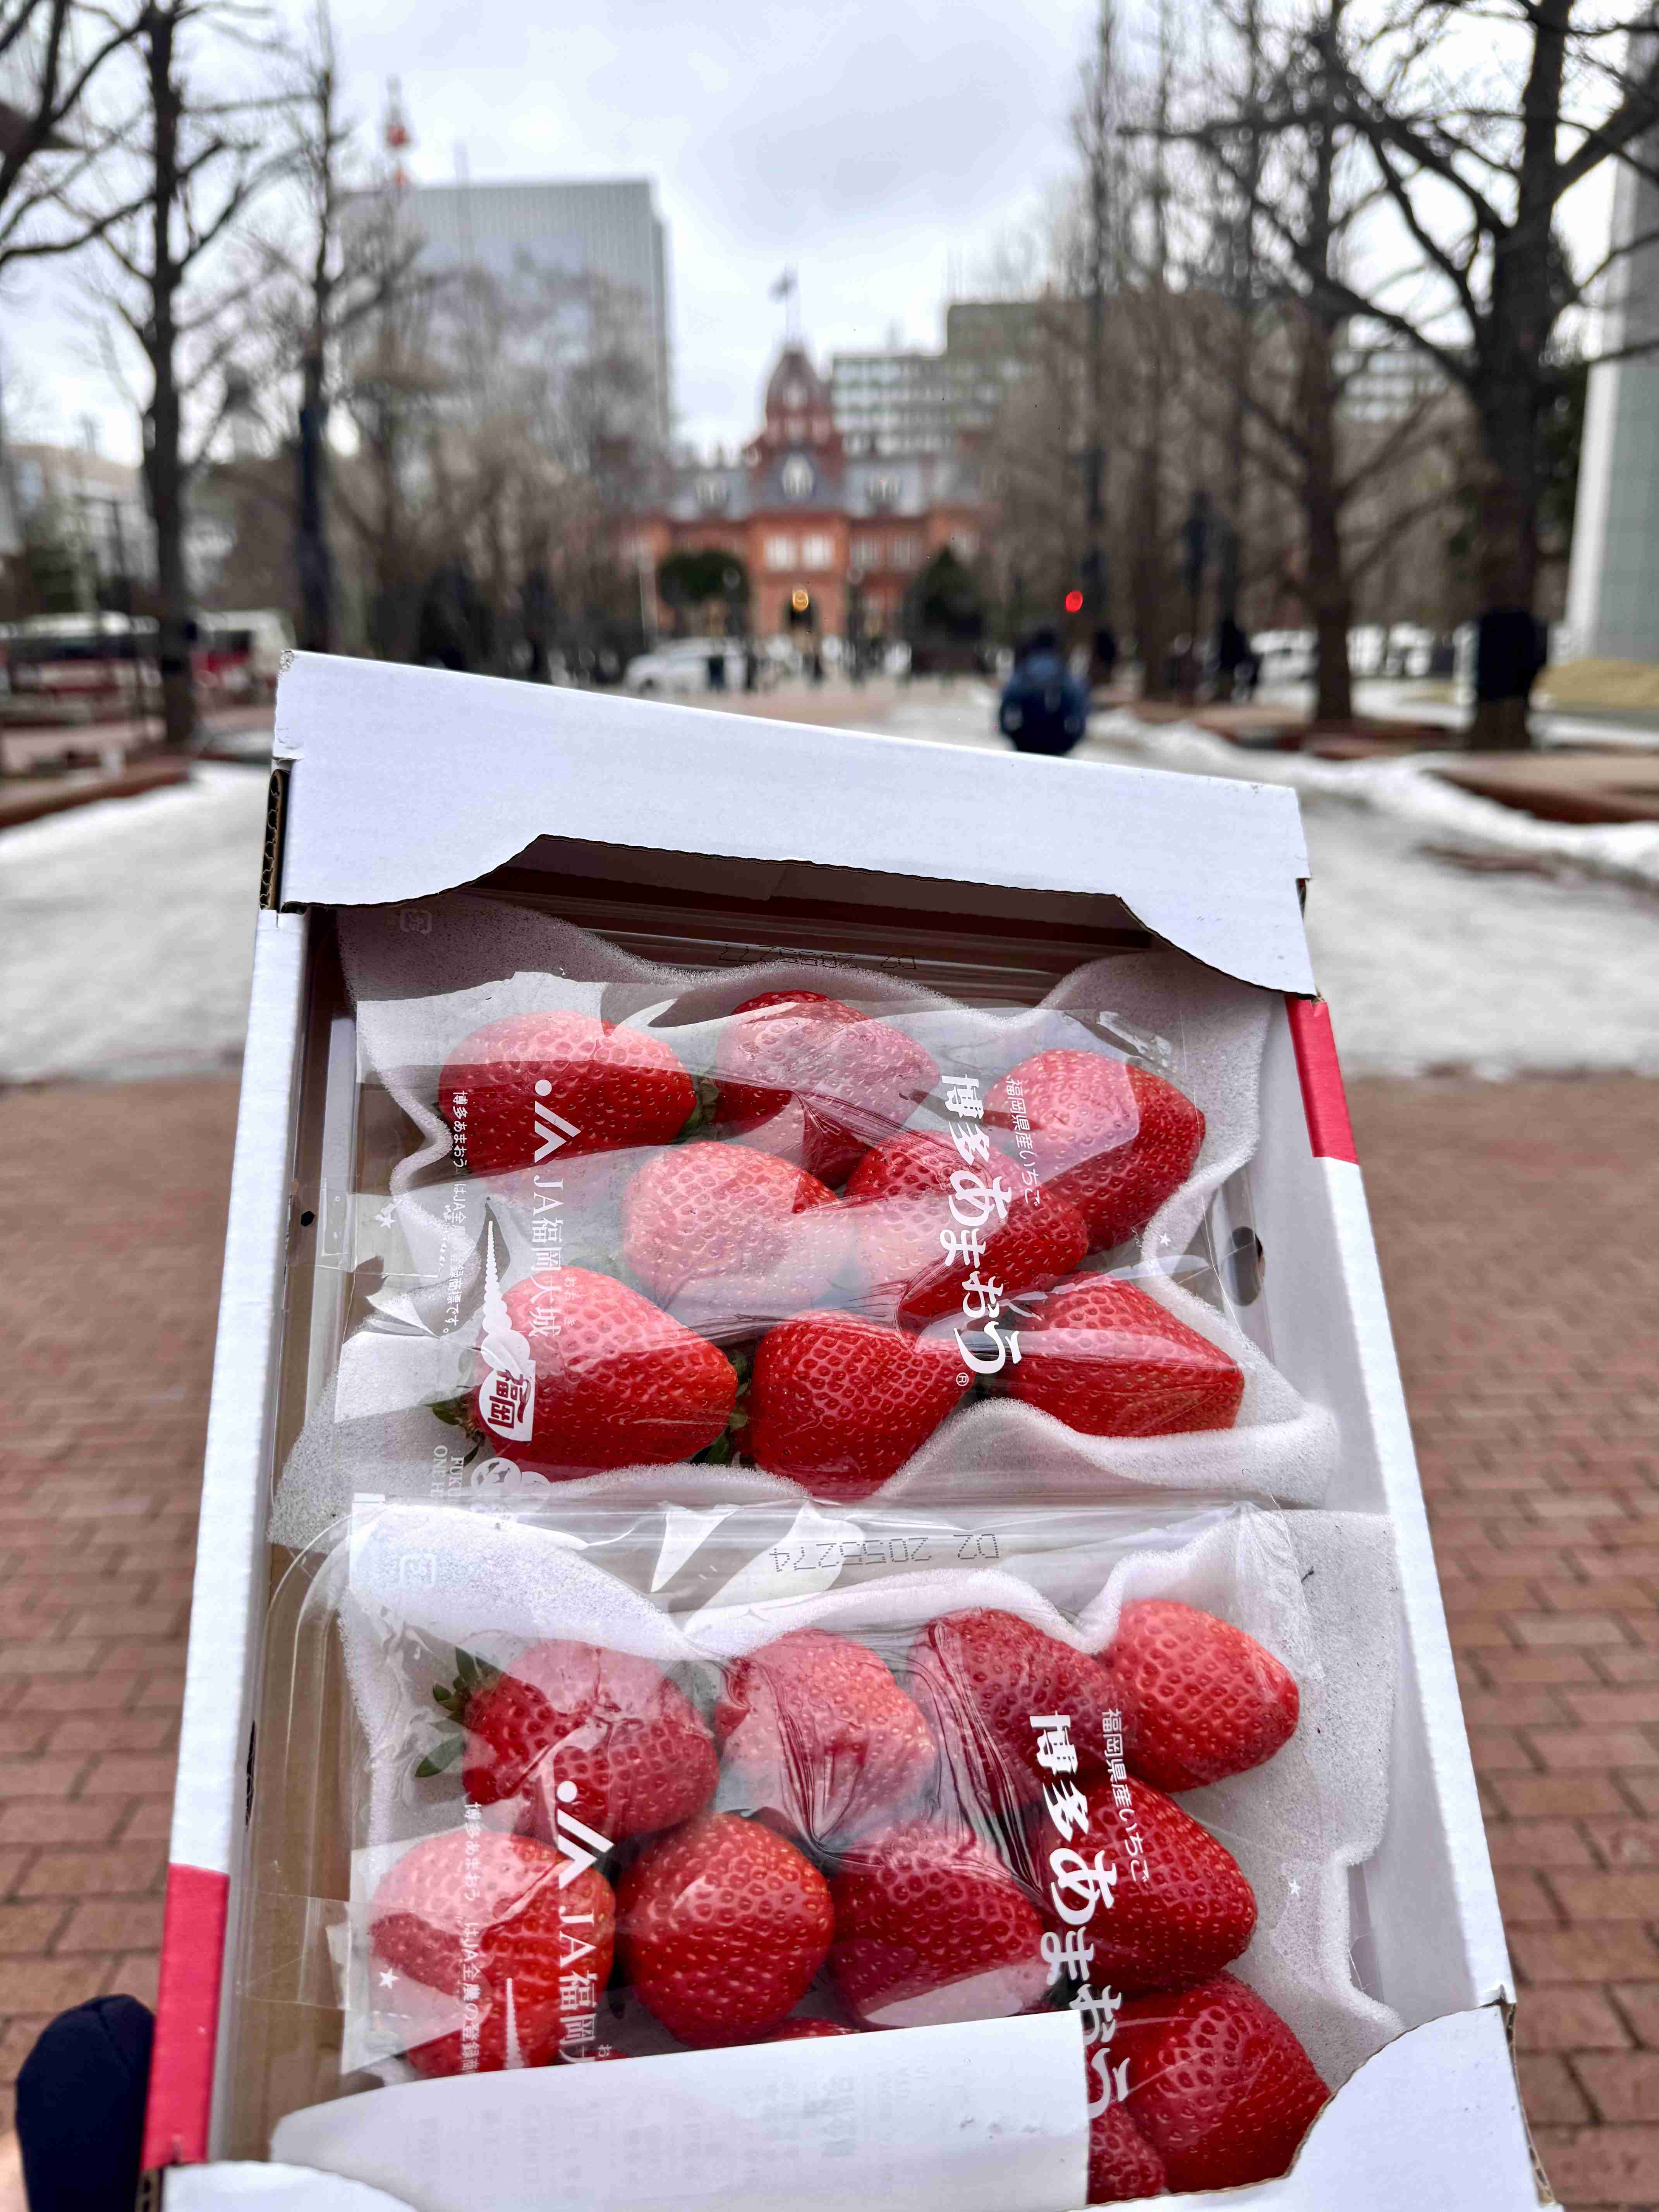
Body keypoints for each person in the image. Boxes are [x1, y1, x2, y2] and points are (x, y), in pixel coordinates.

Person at [997, 627, 1090, 757]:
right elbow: (1081, 707)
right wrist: (1072, 740)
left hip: (1025, 741)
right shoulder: (1064, 672)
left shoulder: (1024, 670)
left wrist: (1010, 734)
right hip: (1058, 743)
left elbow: (1006, 701)